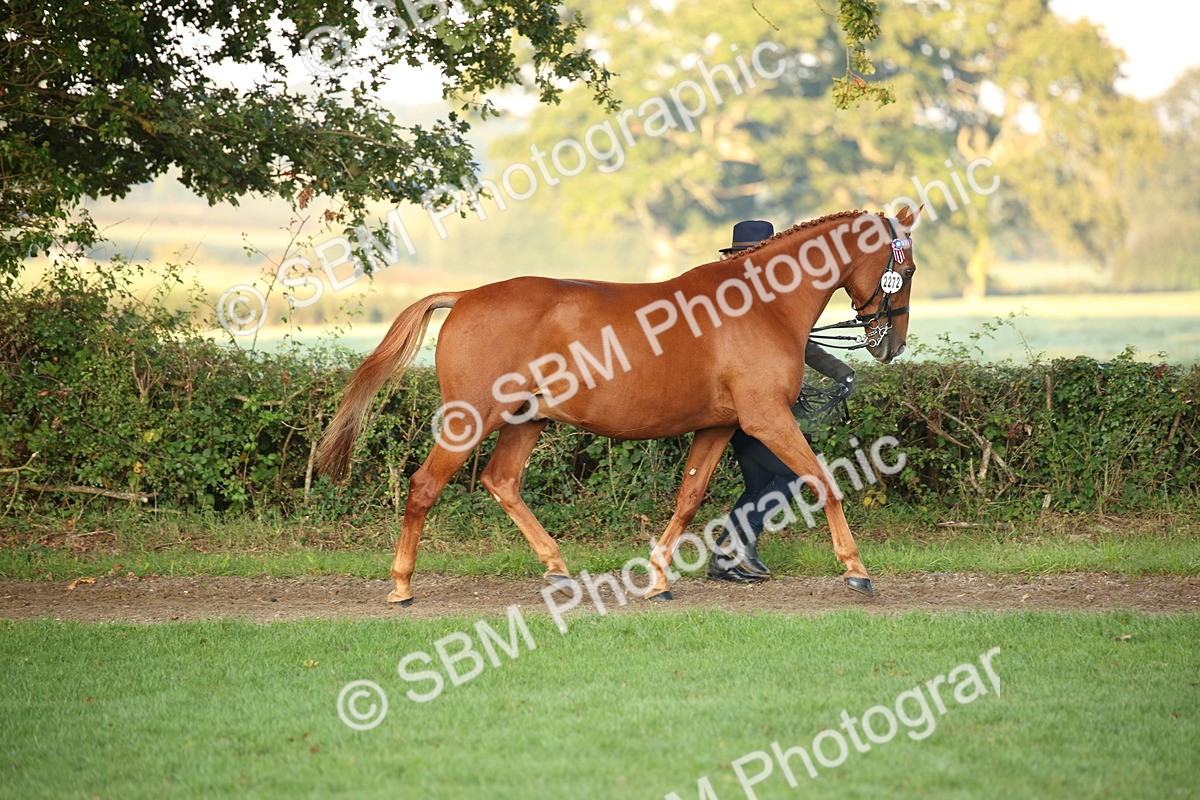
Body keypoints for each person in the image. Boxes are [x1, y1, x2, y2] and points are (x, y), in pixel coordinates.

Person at [708, 220, 857, 583]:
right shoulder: (726, 295)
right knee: (792, 472)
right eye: (745, 254)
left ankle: (729, 553)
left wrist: (839, 371)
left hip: (747, 409)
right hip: (740, 407)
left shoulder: (768, 297)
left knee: (763, 481)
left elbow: (798, 345)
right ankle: (732, 548)